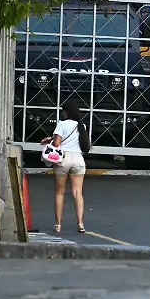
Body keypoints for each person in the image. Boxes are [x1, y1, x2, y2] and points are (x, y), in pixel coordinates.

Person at [40, 99, 91, 233]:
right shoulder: (82, 126)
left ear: (66, 112)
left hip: (63, 159)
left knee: (59, 192)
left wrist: (50, 139)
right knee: (77, 193)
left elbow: (56, 144)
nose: (62, 113)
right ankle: (80, 223)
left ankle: (58, 225)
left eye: (63, 111)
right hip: (78, 159)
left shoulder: (61, 124)